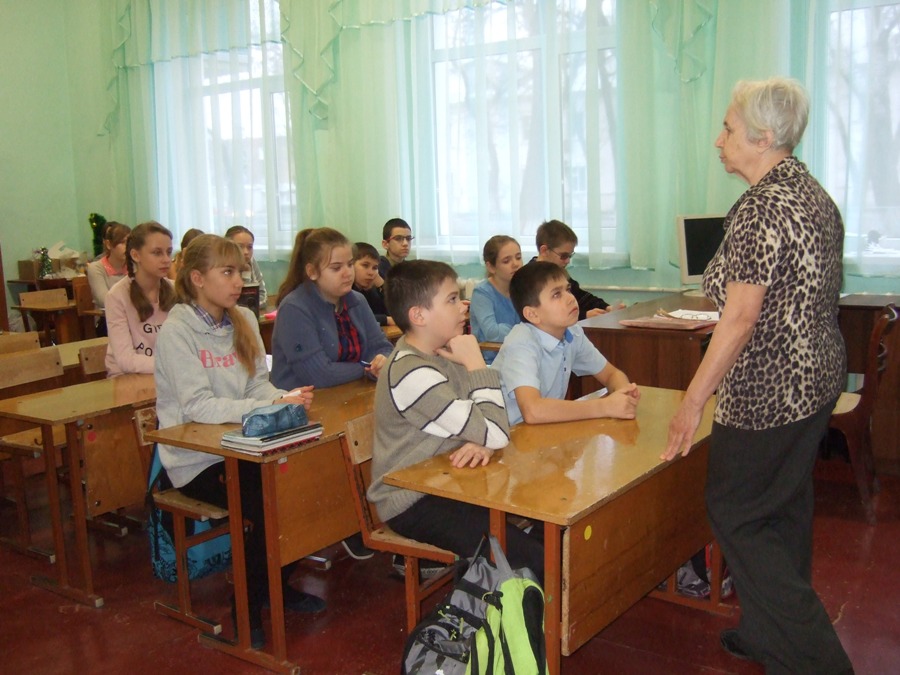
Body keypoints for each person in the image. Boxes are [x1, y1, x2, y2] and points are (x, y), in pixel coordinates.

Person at [663, 78, 853, 674]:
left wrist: (693, 401)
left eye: (728, 128)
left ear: (764, 137)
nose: (718, 140)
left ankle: (818, 659)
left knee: (737, 513)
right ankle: (769, 635)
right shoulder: (812, 193)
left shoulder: (761, 206)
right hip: (816, 378)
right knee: (785, 507)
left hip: (771, 391)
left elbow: (741, 317)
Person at [155, 234, 318, 650]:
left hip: (243, 445)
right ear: (197, 278)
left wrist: (284, 398)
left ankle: (274, 585)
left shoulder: (243, 318)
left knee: (302, 486)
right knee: (266, 501)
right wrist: (262, 407)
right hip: (197, 459)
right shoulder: (177, 332)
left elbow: (258, 385)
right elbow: (197, 406)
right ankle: (244, 608)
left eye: (239, 272)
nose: (238, 281)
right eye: (227, 272)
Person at [367, 259, 544, 580]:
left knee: (548, 513)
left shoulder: (442, 352)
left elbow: (491, 424)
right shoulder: (411, 372)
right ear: (418, 316)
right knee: (533, 557)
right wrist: (476, 364)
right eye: (451, 299)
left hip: (453, 479)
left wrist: (484, 440)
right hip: (412, 501)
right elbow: (494, 428)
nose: (464, 305)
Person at [492, 261, 639, 426]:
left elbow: (611, 374)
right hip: (505, 434)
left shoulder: (572, 332)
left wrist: (623, 394)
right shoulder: (522, 342)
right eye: (556, 294)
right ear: (532, 314)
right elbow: (533, 410)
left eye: (567, 290)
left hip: (542, 429)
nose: (570, 298)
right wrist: (604, 406)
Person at [271, 228, 393, 390]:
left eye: (350, 264)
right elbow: (319, 375)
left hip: (352, 391)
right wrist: (366, 368)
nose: (347, 273)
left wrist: (381, 360)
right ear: (312, 272)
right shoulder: (294, 308)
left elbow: (382, 346)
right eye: (336, 268)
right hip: (306, 399)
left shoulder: (357, 300)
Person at [104, 222, 176, 377]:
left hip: (168, 374)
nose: (166, 260)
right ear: (135, 255)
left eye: (169, 252)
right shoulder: (117, 296)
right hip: (126, 377)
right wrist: (175, 365)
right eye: (157, 253)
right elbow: (126, 360)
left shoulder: (176, 290)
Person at [530, 220, 624, 320]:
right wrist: (584, 315)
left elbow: (581, 297)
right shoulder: (529, 278)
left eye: (570, 256)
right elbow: (546, 315)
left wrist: (606, 307)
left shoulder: (559, 273)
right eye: (564, 256)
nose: (568, 261)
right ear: (544, 250)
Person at [469, 235, 523, 364]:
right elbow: (492, 333)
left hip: (519, 355)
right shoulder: (482, 293)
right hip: (490, 360)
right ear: (491, 267)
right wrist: (521, 331)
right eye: (506, 261)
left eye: (518, 257)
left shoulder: (523, 288)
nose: (515, 264)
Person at [86, 222, 131, 310]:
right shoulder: (96, 268)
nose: (128, 247)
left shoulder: (135, 266)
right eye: (122, 242)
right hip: (106, 316)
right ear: (108, 244)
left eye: (129, 243)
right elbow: (104, 300)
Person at [225, 225, 268, 307]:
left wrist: (247, 273)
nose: (246, 252)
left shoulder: (251, 262)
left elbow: (263, 297)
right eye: (240, 247)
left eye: (249, 247)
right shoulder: (221, 267)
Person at [352, 242, 393, 326]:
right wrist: (386, 320)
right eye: (365, 265)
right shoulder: (346, 292)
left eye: (375, 268)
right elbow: (356, 317)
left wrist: (381, 285)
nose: (371, 273)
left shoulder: (370, 290)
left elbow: (394, 311)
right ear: (350, 265)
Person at [377, 217, 413, 283]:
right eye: (398, 238)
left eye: (408, 238)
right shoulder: (377, 268)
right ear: (385, 244)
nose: (405, 243)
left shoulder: (411, 269)